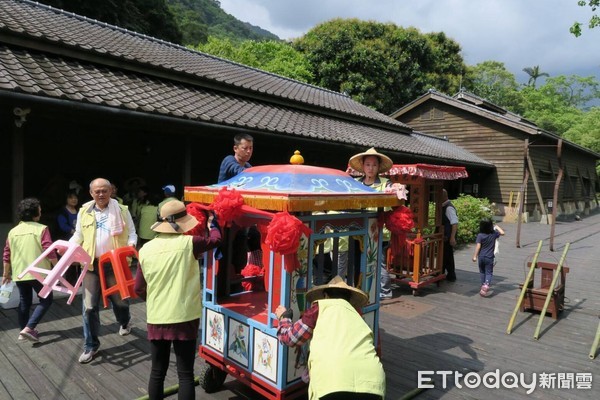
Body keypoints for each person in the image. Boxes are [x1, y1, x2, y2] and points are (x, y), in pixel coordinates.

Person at [135, 200, 222, 400]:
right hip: (185, 316)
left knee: (157, 371)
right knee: (185, 374)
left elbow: (138, 288)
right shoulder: (190, 243)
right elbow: (216, 240)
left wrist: (155, 300)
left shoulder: (145, 249)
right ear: (182, 223)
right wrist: (212, 223)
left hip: (157, 316)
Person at [276, 276, 385, 400]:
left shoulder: (319, 308)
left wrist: (284, 318)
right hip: (373, 383)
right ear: (349, 299)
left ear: (325, 296)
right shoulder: (356, 314)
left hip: (334, 383)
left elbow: (290, 338)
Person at [69, 178, 138, 364]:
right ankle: (91, 345)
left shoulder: (122, 210)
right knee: (89, 307)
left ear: (110, 191)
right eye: (97, 191)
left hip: (114, 264)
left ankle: (124, 321)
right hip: (91, 264)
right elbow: (79, 235)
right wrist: (69, 248)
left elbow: (132, 232)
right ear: (91, 193)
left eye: (104, 191)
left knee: (120, 301)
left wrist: (130, 246)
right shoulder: (84, 211)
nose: (100, 194)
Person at [2, 198, 57, 342]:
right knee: (46, 299)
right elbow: (49, 250)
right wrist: (57, 267)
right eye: (39, 209)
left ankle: (22, 332)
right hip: (39, 273)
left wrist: (5, 274)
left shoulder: (13, 231)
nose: (41, 211)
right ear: (35, 212)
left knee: (24, 301)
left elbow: (7, 254)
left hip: (20, 273)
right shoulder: (41, 229)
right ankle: (29, 328)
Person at [348, 147, 394, 300]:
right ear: (362, 166)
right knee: (357, 261)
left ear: (378, 167)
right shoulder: (354, 183)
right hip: (357, 229)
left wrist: (398, 188)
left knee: (378, 261)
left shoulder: (386, 183)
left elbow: (394, 191)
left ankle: (384, 290)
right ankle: (360, 288)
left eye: (374, 165)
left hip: (377, 230)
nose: (371, 168)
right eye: (368, 164)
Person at [472, 219, 505, 297]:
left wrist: (474, 256)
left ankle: (483, 285)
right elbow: (503, 233)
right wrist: (496, 226)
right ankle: (486, 285)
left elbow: (478, 246)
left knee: (482, 272)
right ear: (491, 226)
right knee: (489, 272)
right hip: (489, 258)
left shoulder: (480, 235)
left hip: (481, 257)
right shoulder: (494, 234)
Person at [442, 189, 458, 282]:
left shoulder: (449, 208)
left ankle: (451, 275)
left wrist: (452, 237)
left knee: (448, 256)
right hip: (445, 235)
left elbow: (454, 223)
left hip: (448, 236)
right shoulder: (444, 206)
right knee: (444, 255)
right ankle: (443, 272)